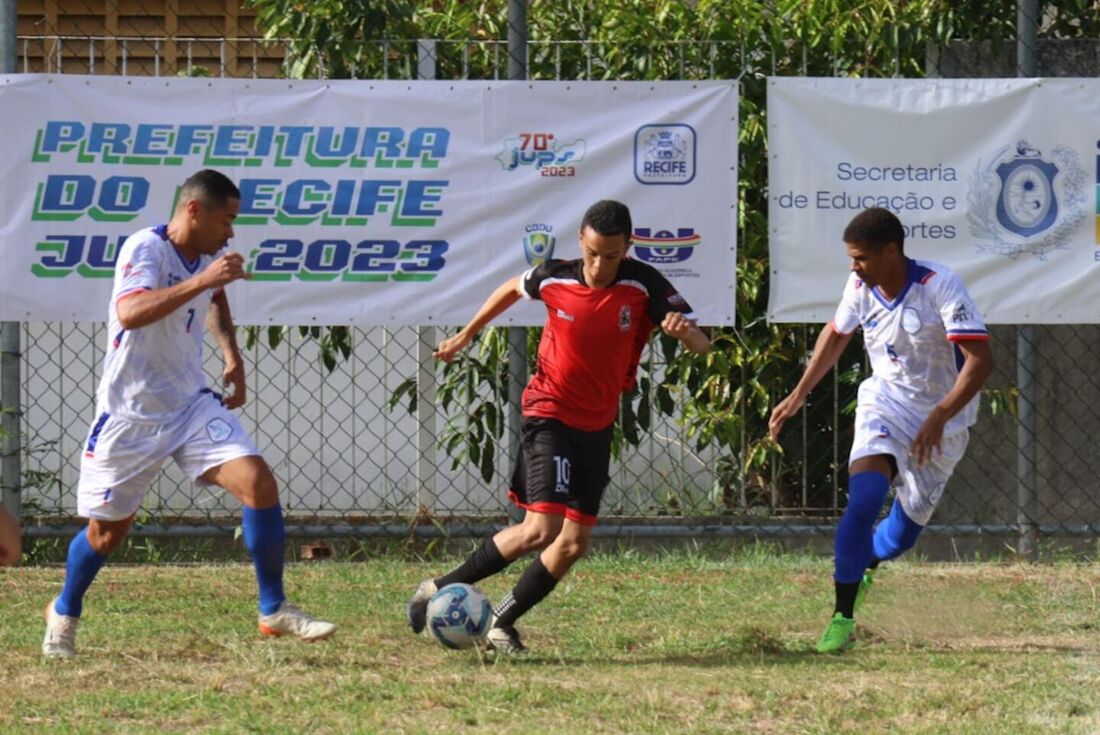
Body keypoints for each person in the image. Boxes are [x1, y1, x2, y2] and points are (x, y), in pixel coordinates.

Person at [41, 169, 335, 658]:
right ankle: (64, 611)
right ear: (195, 209)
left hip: (190, 404)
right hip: (131, 415)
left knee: (258, 482)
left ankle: (273, 608)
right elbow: (132, 312)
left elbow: (214, 297)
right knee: (106, 534)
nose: (232, 232)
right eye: (227, 219)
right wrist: (204, 278)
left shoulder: (206, 257)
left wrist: (231, 354)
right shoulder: (146, 249)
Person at [406, 199, 711, 654]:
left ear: (627, 248)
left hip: (598, 423)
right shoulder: (556, 275)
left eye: (610, 256)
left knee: (571, 545)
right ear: (580, 243)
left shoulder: (643, 284)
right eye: (591, 253)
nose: (599, 265)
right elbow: (512, 288)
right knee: (540, 530)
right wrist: (469, 332)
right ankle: (438, 588)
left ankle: (501, 623)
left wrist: (684, 330)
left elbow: (703, 345)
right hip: (549, 412)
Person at [769, 207, 993, 653]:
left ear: (891, 251)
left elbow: (981, 361)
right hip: (885, 402)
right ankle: (842, 616)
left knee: (901, 538)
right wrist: (798, 394)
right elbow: (835, 334)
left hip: (942, 419)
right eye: (851, 258)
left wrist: (939, 416)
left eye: (861, 258)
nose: (854, 267)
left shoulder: (938, 285)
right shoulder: (860, 285)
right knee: (864, 500)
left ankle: (870, 559)